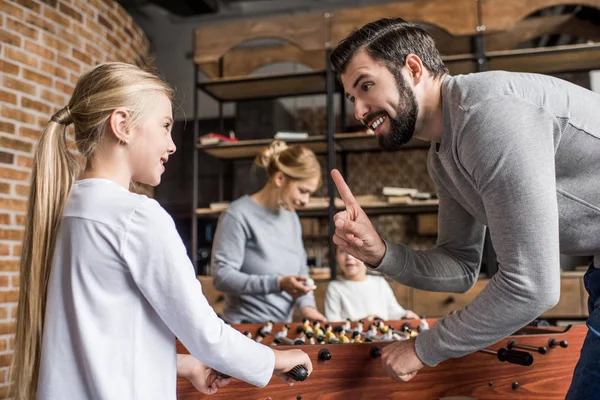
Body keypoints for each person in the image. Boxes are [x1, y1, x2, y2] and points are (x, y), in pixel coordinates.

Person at [328, 18, 599, 397]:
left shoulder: (488, 116)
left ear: (413, 68)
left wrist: (424, 348)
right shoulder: (443, 157)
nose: (359, 111)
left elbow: (532, 287)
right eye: (352, 98)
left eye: (366, 86)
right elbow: (459, 268)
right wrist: (381, 254)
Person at [10, 62, 312, 400]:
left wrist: (185, 365)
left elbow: (104, 336)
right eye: (165, 126)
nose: (172, 145)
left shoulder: (67, 208)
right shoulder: (137, 216)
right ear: (122, 125)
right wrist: (275, 358)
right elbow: (206, 334)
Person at [212, 140, 327, 324]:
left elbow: (301, 271)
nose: (306, 201)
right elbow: (222, 277)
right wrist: (278, 283)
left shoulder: (292, 218)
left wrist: (308, 308)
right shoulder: (237, 215)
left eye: (309, 194)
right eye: (303, 191)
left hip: (280, 329)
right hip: (244, 329)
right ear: (280, 178)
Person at [324, 246, 419, 322]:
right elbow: (333, 322)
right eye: (342, 251)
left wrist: (405, 315)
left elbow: (394, 312)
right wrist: (362, 322)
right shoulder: (334, 288)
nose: (349, 256)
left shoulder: (380, 283)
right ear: (336, 257)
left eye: (355, 251)